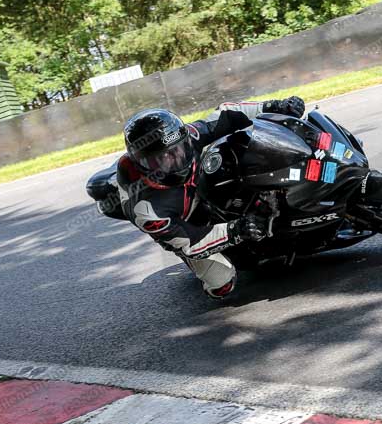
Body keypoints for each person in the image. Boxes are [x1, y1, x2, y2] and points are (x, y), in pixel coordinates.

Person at [115, 97, 305, 298]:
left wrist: (276, 106)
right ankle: (191, 254)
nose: (176, 160)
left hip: (195, 187)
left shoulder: (184, 137)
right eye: (161, 159)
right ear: (143, 165)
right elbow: (192, 241)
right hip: (184, 227)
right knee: (221, 285)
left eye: (178, 150)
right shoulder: (147, 210)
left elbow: (225, 114)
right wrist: (237, 230)